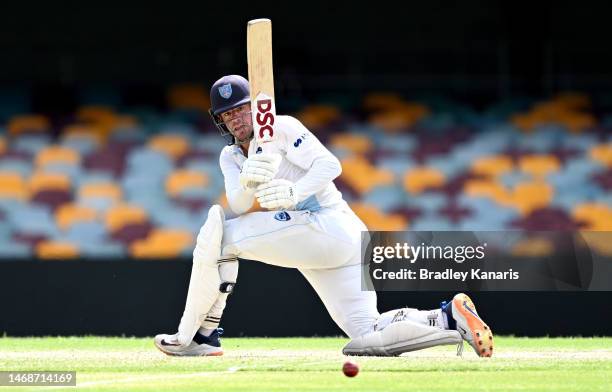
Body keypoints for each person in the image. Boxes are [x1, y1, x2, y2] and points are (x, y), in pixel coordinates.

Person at [153, 75, 494, 357]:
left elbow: (331, 165)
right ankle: (447, 317)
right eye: (228, 114)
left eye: (241, 109)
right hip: (323, 242)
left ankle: (199, 335)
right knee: (366, 335)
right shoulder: (230, 157)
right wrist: (248, 178)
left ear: (257, 110)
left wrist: (294, 191)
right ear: (221, 121)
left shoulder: (282, 128)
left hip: (330, 224)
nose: (236, 119)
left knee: (221, 237)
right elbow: (240, 204)